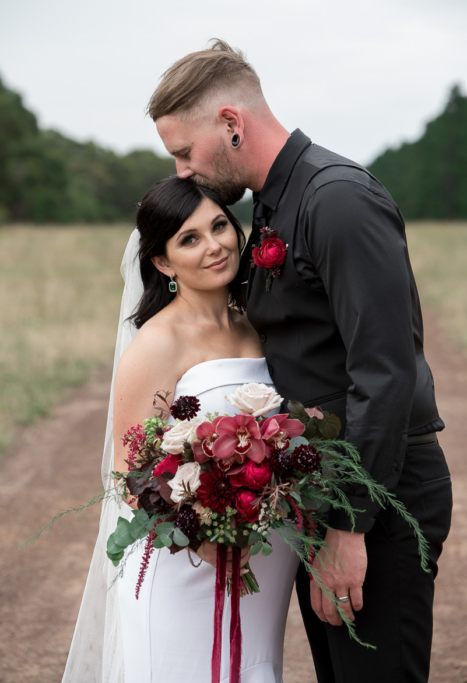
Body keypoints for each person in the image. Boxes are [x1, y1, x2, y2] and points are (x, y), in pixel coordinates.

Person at [148, 39, 453, 683]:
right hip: (330, 493)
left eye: (183, 152)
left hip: (381, 493)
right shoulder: (271, 205)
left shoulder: (336, 200)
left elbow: (384, 369)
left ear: (231, 124)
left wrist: (347, 526)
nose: (180, 173)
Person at [62, 176, 299, 683]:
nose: (214, 246)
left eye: (219, 226)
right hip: (184, 562)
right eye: (189, 239)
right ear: (163, 263)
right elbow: (132, 473)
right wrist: (200, 538)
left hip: (264, 554)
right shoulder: (156, 344)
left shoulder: (258, 325)